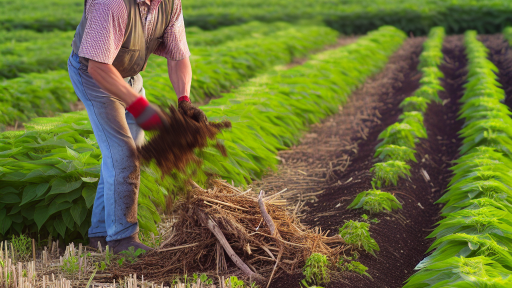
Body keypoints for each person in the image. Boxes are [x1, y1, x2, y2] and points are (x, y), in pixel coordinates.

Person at [67, 0, 206, 254]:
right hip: (93, 73)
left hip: (129, 75)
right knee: (123, 153)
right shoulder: (112, 4)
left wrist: (184, 101)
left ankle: (100, 234)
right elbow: (98, 67)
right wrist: (140, 107)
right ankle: (122, 240)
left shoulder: (169, 3)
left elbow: (178, 57)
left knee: (126, 152)